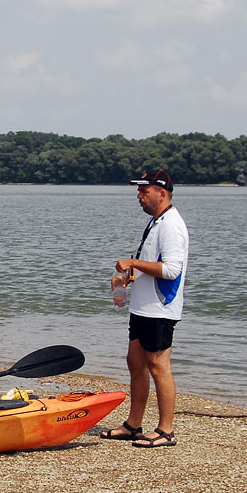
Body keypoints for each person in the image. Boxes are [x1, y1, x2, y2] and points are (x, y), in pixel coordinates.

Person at [101, 169, 189, 448]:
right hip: (142, 308)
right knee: (135, 362)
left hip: (161, 308)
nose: (139, 196)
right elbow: (151, 263)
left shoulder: (172, 224)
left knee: (158, 365)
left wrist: (133, 264)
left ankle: (166, 430)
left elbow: (172, 270)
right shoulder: (155, 222)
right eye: (138, 191)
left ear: (161, 193)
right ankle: (133, 424)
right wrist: (126, 279)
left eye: (144, 191)